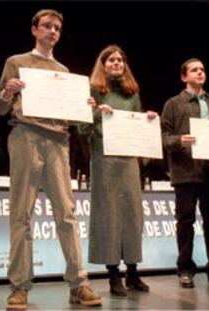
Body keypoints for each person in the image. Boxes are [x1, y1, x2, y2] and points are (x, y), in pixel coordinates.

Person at [0, 9, 101, 309]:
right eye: (47, 27)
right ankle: (19, 287)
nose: (53, 32)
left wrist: (84, 106)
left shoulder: (64, 72)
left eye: (58, 29)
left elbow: (75, 119)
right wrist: (8, 93)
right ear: (34, 30)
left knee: (66, 213)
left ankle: (79, 284)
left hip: (58, 141)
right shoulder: (17, 62)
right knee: (21, 213)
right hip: (25, 136)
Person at [78, 45, 154, 297]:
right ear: (102, 64)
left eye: (120, 60)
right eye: (111, 60)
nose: (116, 63)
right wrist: (97, 113)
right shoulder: (93, 89)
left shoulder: (132, 92)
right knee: (109, 214)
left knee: (132, 215)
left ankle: (132, 272)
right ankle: (113, 276)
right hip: (104, 158)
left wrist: (148, 120)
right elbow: (80, 127)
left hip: (129, 159)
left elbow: (137, 123)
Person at [161, 58, 209, 289]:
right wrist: (179, 141)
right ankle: (185, 268)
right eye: (195, 70)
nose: (200, 72)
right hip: (186, 170)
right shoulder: (173, 104)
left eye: (202, 69)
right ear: (184, 77)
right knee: (186, 221)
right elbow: (162, 137)